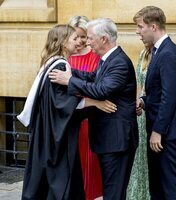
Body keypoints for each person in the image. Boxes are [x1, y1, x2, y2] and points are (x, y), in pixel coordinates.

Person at [17, 24, 116, 200]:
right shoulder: (60, 65)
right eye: (74, 38)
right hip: (56, 135)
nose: (79, 42)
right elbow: (63, 103)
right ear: (63, 42)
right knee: (61, 179)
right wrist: (95, 102)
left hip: (48, 129)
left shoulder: (51, 62)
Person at [49, 18, 138, 200]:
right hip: (108, 139)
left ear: (103, 39)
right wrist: (70, 72)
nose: (87, 42)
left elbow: (102, 90)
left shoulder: (119, 62)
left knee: (113, 193)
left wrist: (69, 80)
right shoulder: (107, 59)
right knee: (110, 190)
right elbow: (92, 77)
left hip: (117, 141)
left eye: (90, 38)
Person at [133, 6, 176, 200]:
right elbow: (158, 93)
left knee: (169, 184)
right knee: (157, 184)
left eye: (140, 27)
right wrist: (143, 101)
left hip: (164, 131)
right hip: (158, 127)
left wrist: (158, 132)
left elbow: (170, 97)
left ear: (153, 26)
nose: (137, 32)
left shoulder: (168, 53)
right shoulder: (158, 51)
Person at [68, 15, 103, 200]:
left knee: (90, 162)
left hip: (89, 118)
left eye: (84, 36)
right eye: (77, 36)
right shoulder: (64, 58)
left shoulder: (95, 57)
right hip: (69, 118)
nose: (81, 41)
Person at [126, 43, 152, 200]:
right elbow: (138, 84)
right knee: (138, 155)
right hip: (141, 110)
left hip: (154, 109)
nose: (139, 33)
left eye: (141, 28)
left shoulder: (165, 54)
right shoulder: (142, 54)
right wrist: (137, 102)